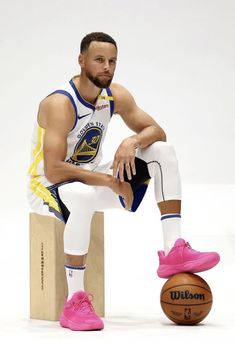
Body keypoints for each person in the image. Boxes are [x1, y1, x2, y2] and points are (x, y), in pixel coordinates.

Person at [27, 32, 220, 331]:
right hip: (48, 187)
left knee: (161, 152)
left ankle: (173, 250)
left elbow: (156, 130)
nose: (107, 67)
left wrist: (131, 141)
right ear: (81, 61)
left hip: (91, 179)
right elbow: (53, 169)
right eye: (99, 60)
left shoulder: (114, 96)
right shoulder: (60, 103)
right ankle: (74, 301)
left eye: (112, 61)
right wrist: (107, 180)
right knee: (83, 196)